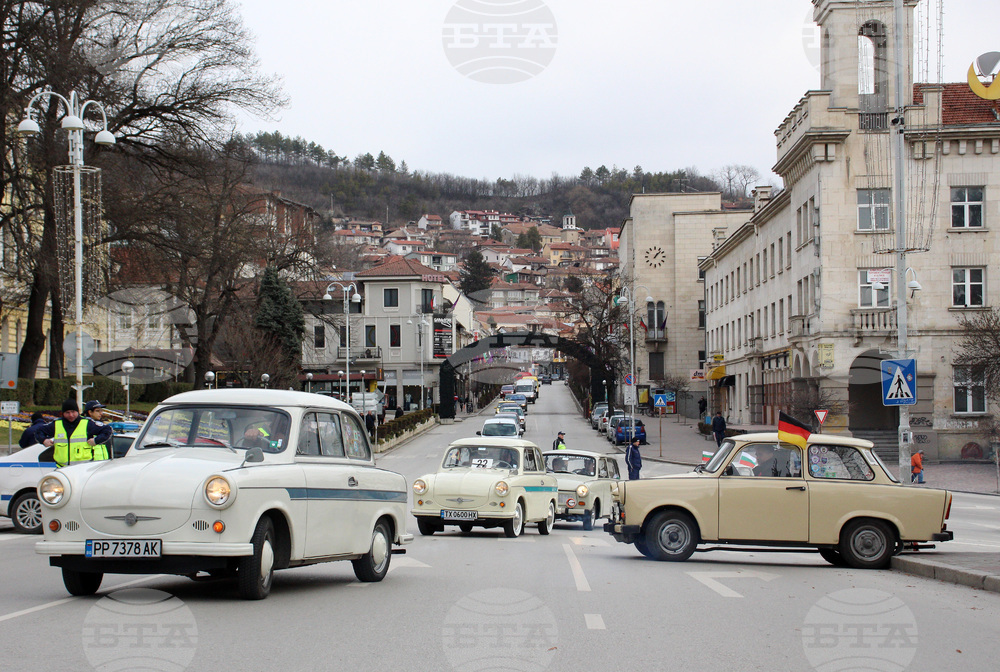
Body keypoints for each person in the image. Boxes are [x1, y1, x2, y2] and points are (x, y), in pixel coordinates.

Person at [37, 399, 113, 467]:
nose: (71, 415)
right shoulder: (56, 424)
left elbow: (107, 430)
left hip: (83, 469)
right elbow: (38, 431)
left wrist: (96, 440)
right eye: (67, 412)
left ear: (77, 412)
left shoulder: (87, 423)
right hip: (62, 469)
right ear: (63, 413)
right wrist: (44, 440)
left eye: (73, 412)